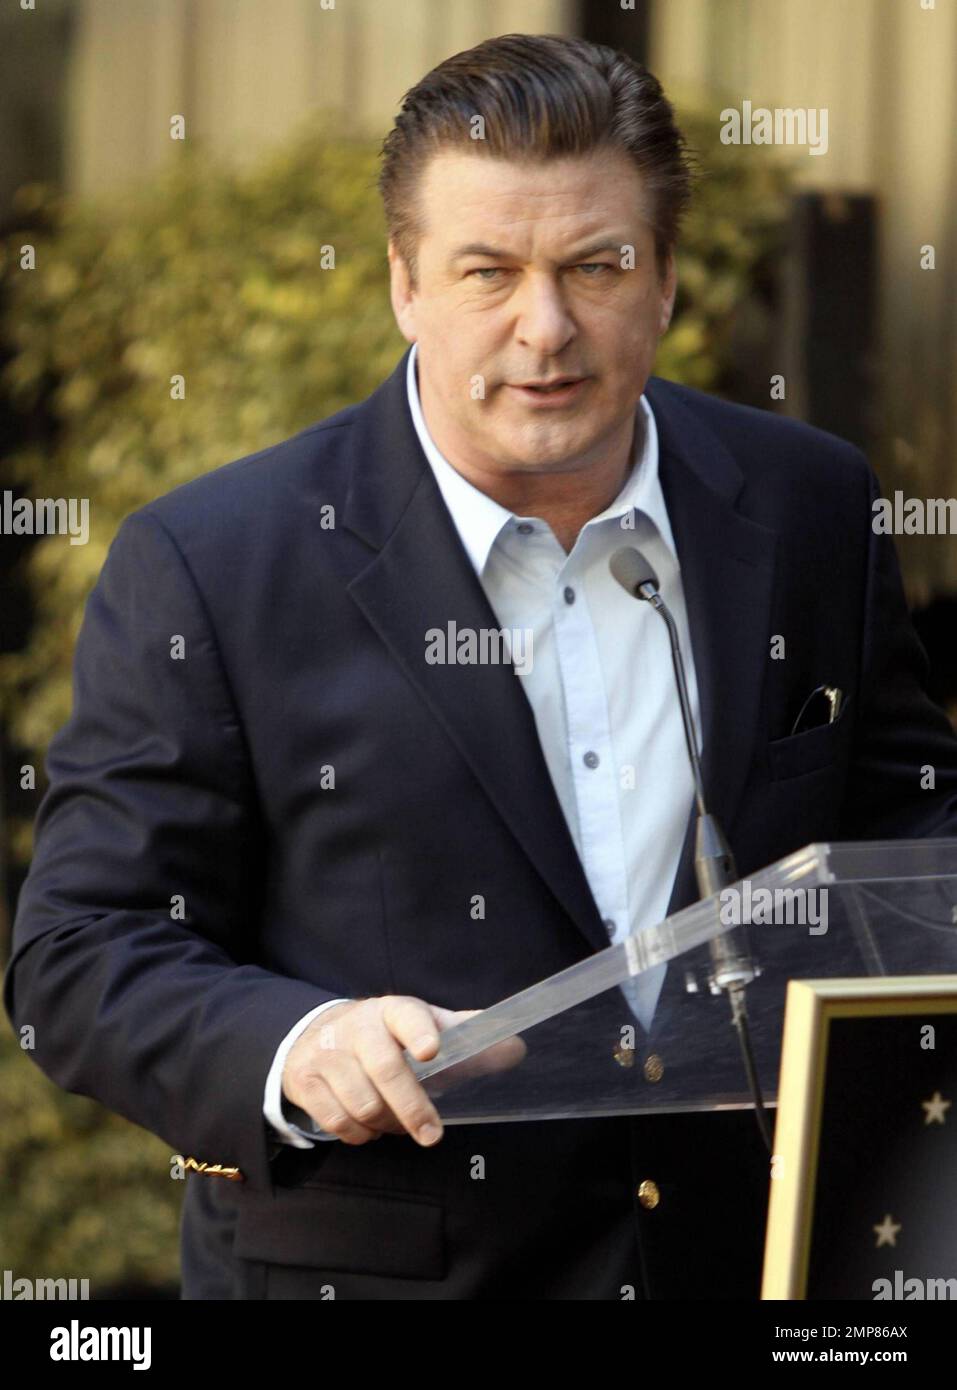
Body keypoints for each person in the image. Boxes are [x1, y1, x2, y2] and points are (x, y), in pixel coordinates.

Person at [6, 33, 957, 1301]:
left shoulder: (810, 502)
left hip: (756, 1264)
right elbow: (79, 949)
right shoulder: (213, 564)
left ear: (666, 277)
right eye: (487, 272)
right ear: (404, 282)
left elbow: (906, 824)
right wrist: (297, 1043)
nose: (546, 328)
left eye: (596, 266)